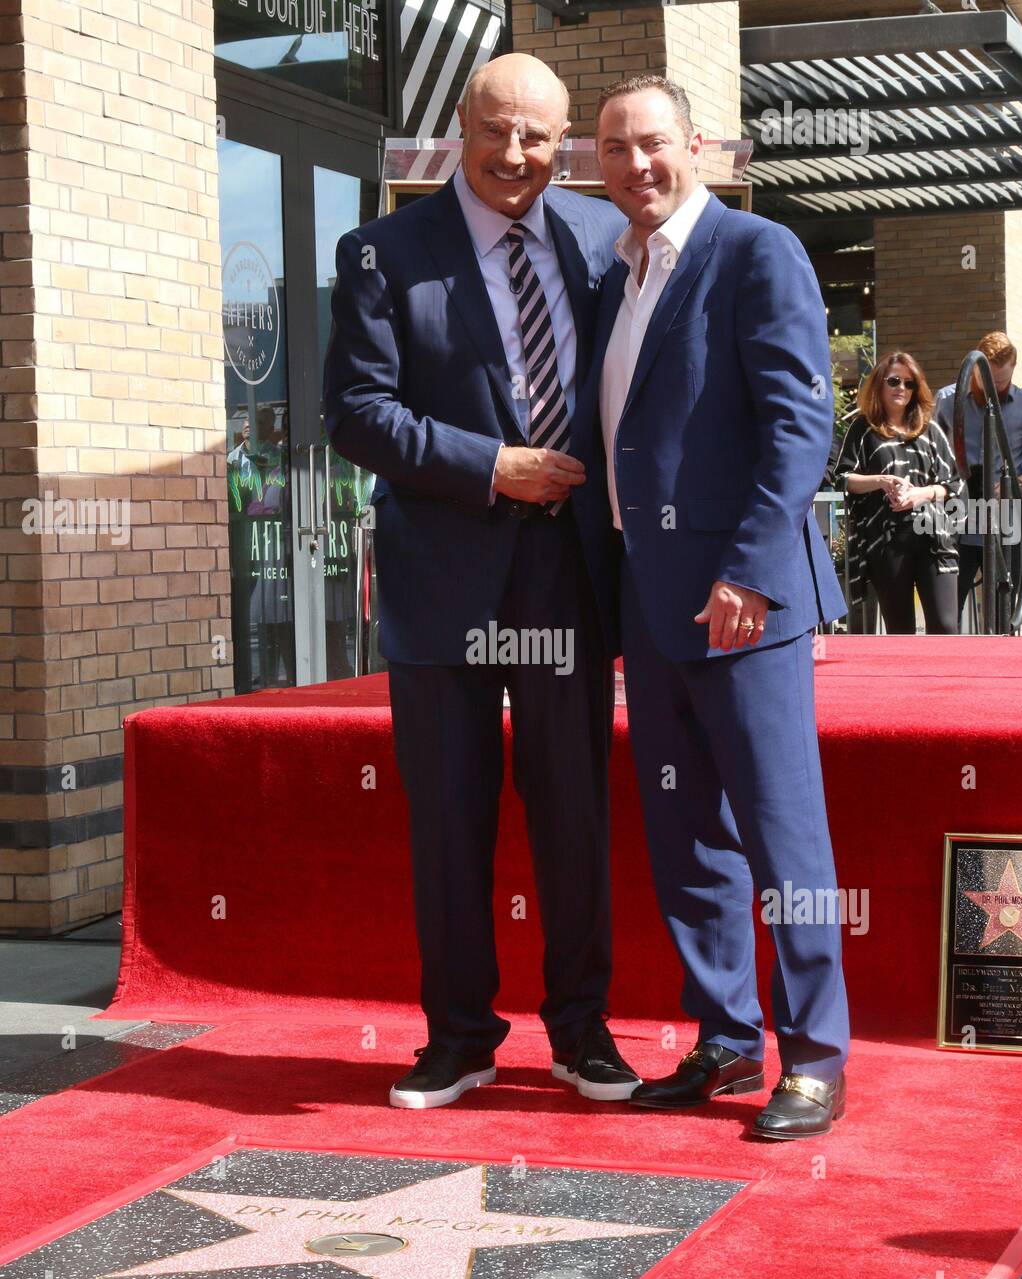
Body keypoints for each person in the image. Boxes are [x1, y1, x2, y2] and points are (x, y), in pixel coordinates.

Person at [323, 54, 638, 1109]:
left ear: (565, 145)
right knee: (449, 817)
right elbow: (355, 413)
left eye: (539, 137)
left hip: (568, 574)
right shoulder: (380, 252)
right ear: (460, 125)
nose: (516, 154)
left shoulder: (605, 239)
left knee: (572, 814)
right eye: (497, 129)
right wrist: (488, 466)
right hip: (444, 573)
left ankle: (582, 1031)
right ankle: (457, 1036)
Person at [572, 74, 850, 1140]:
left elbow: (796, 425)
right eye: (611, 150)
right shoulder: (615, 275)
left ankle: (814, 1057)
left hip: (743, 604)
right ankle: (725, 1038)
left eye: (649, 143)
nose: (633, 164)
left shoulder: (753, 253)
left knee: (784, 836)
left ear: (692, 145)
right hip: (650, 604)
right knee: (687, 831)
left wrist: (747, 570)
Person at [833, 353, 965, 635]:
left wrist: (921, 494)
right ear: (879, 384)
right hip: (886, 540)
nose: (901, 388)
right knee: (900, 631)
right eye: (894, 381)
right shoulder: (863, 429)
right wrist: (881, 481)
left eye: (909, 383)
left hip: (934, 537)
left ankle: (947, 680)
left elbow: (954, 485)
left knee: (946, 627)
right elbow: (842, 479)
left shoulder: (931, 431)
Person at [934, 332, 1022, 621]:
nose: (995, 388)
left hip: (1007, 520)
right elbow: (932, 455)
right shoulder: (946, 401)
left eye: (1002, 382)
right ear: (975, 370)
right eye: (988, 381)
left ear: (1014, 370)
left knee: (1004, 612)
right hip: (958, 518)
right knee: (947, 611)